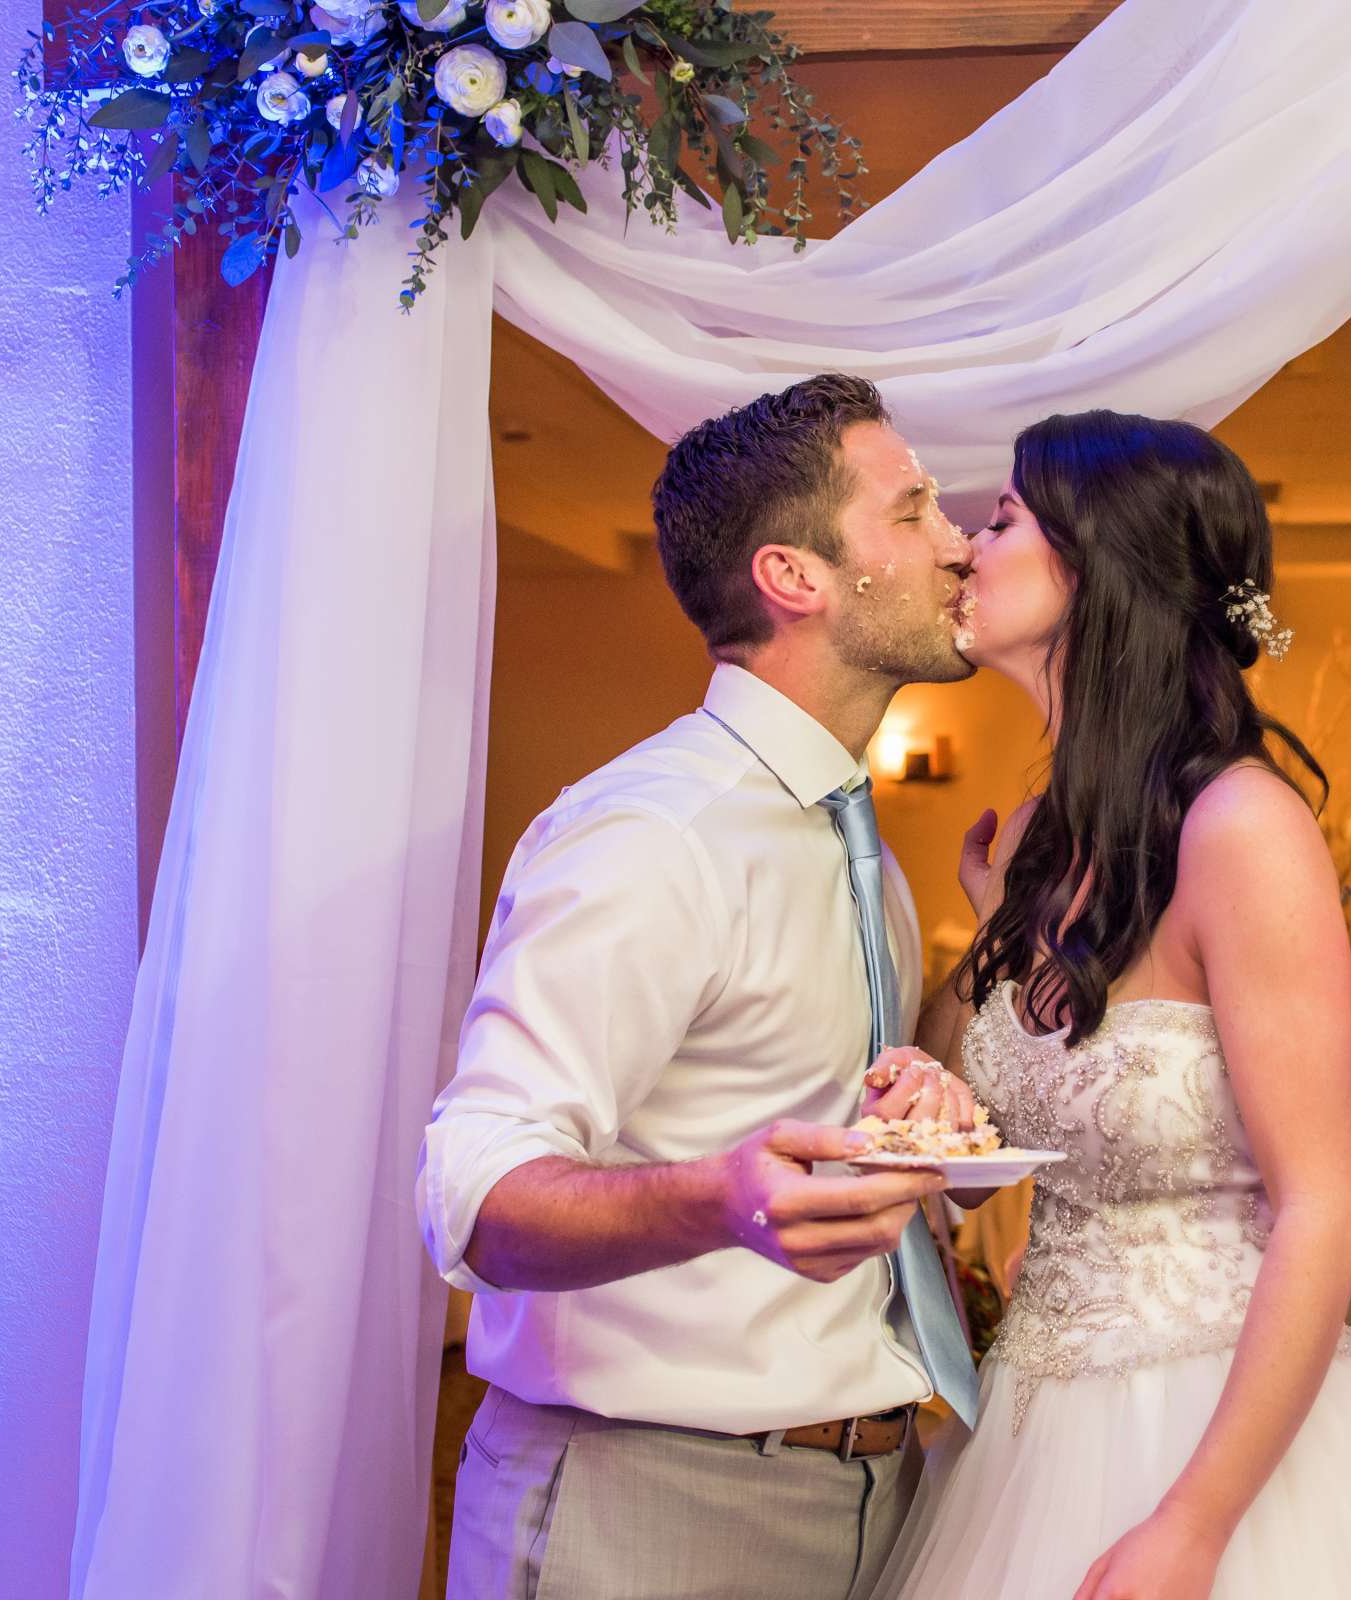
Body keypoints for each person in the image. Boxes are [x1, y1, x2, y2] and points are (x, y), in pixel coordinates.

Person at [869, 411, 1351, 1599]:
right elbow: (966, 1119)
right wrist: (995, 926)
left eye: (1003, 516)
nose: (966, 542)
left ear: (1100, 566)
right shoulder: (1044, 840)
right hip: (1032, 1427)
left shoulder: (1243, 829)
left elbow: (1326, 1209)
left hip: (1216, 1434)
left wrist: (1195, 1524)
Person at [417, 374, 993, 1600]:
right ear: (798, 576)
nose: (960, 545)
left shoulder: (856, 842)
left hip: (874, 1494)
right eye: (916, 510)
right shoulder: (653, 832)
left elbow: (862, 1109)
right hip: (650, 1504)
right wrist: (717, 1200)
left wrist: (1000, 940)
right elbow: (471, 1194)